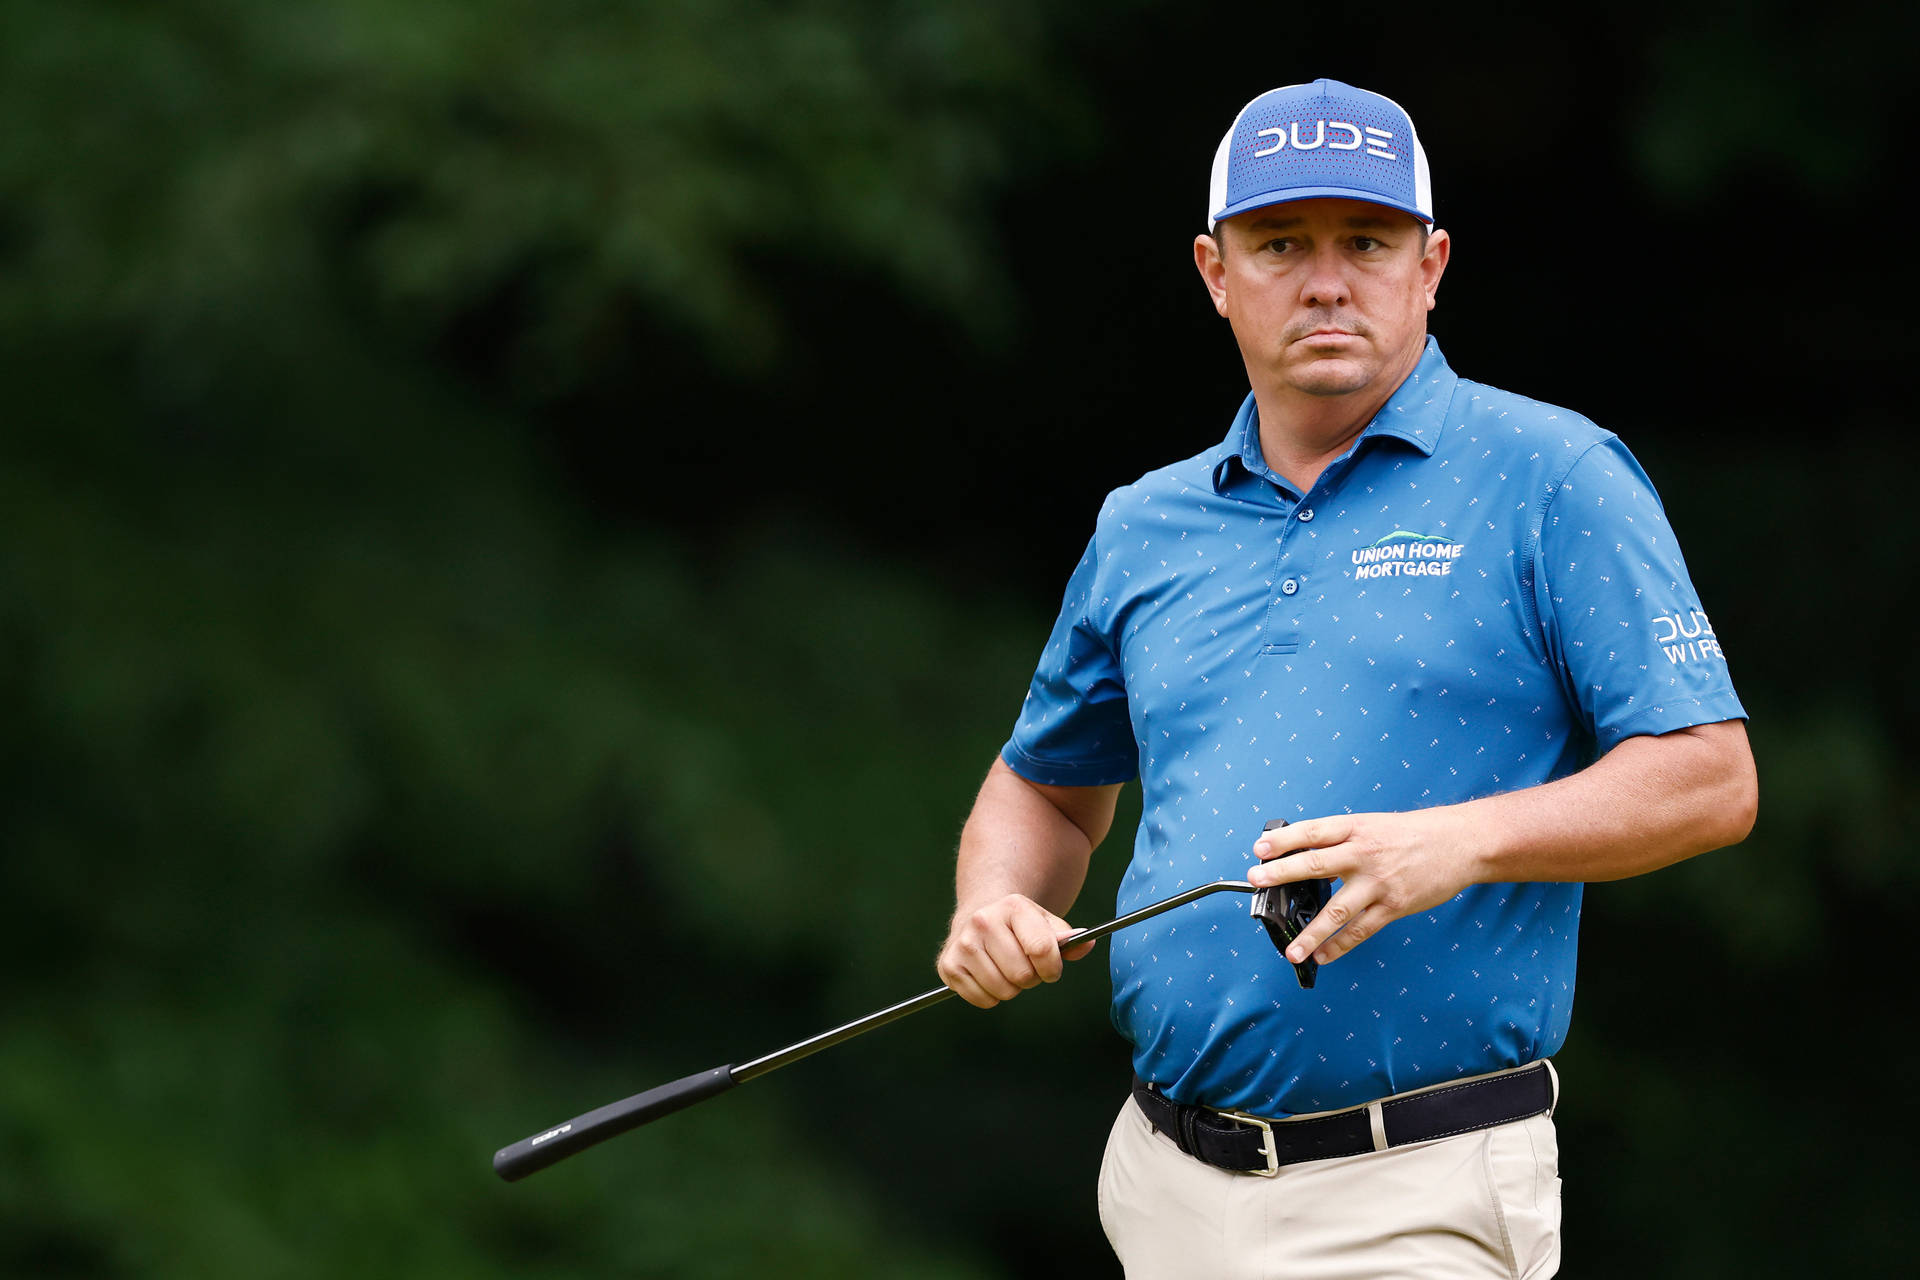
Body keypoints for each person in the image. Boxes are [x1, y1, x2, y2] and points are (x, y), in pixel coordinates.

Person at [934, 79, 1756, 1279]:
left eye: (1365, 242)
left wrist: (1455, 843)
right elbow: (1048, 789)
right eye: (1281, 244)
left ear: (1430, 265)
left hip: (1413, 1190)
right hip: (1159, 1184)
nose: (1327, 280)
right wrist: (995, 898)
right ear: (1217, 273)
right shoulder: (1145, 522)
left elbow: (1710, 778)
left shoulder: (1551, 475)